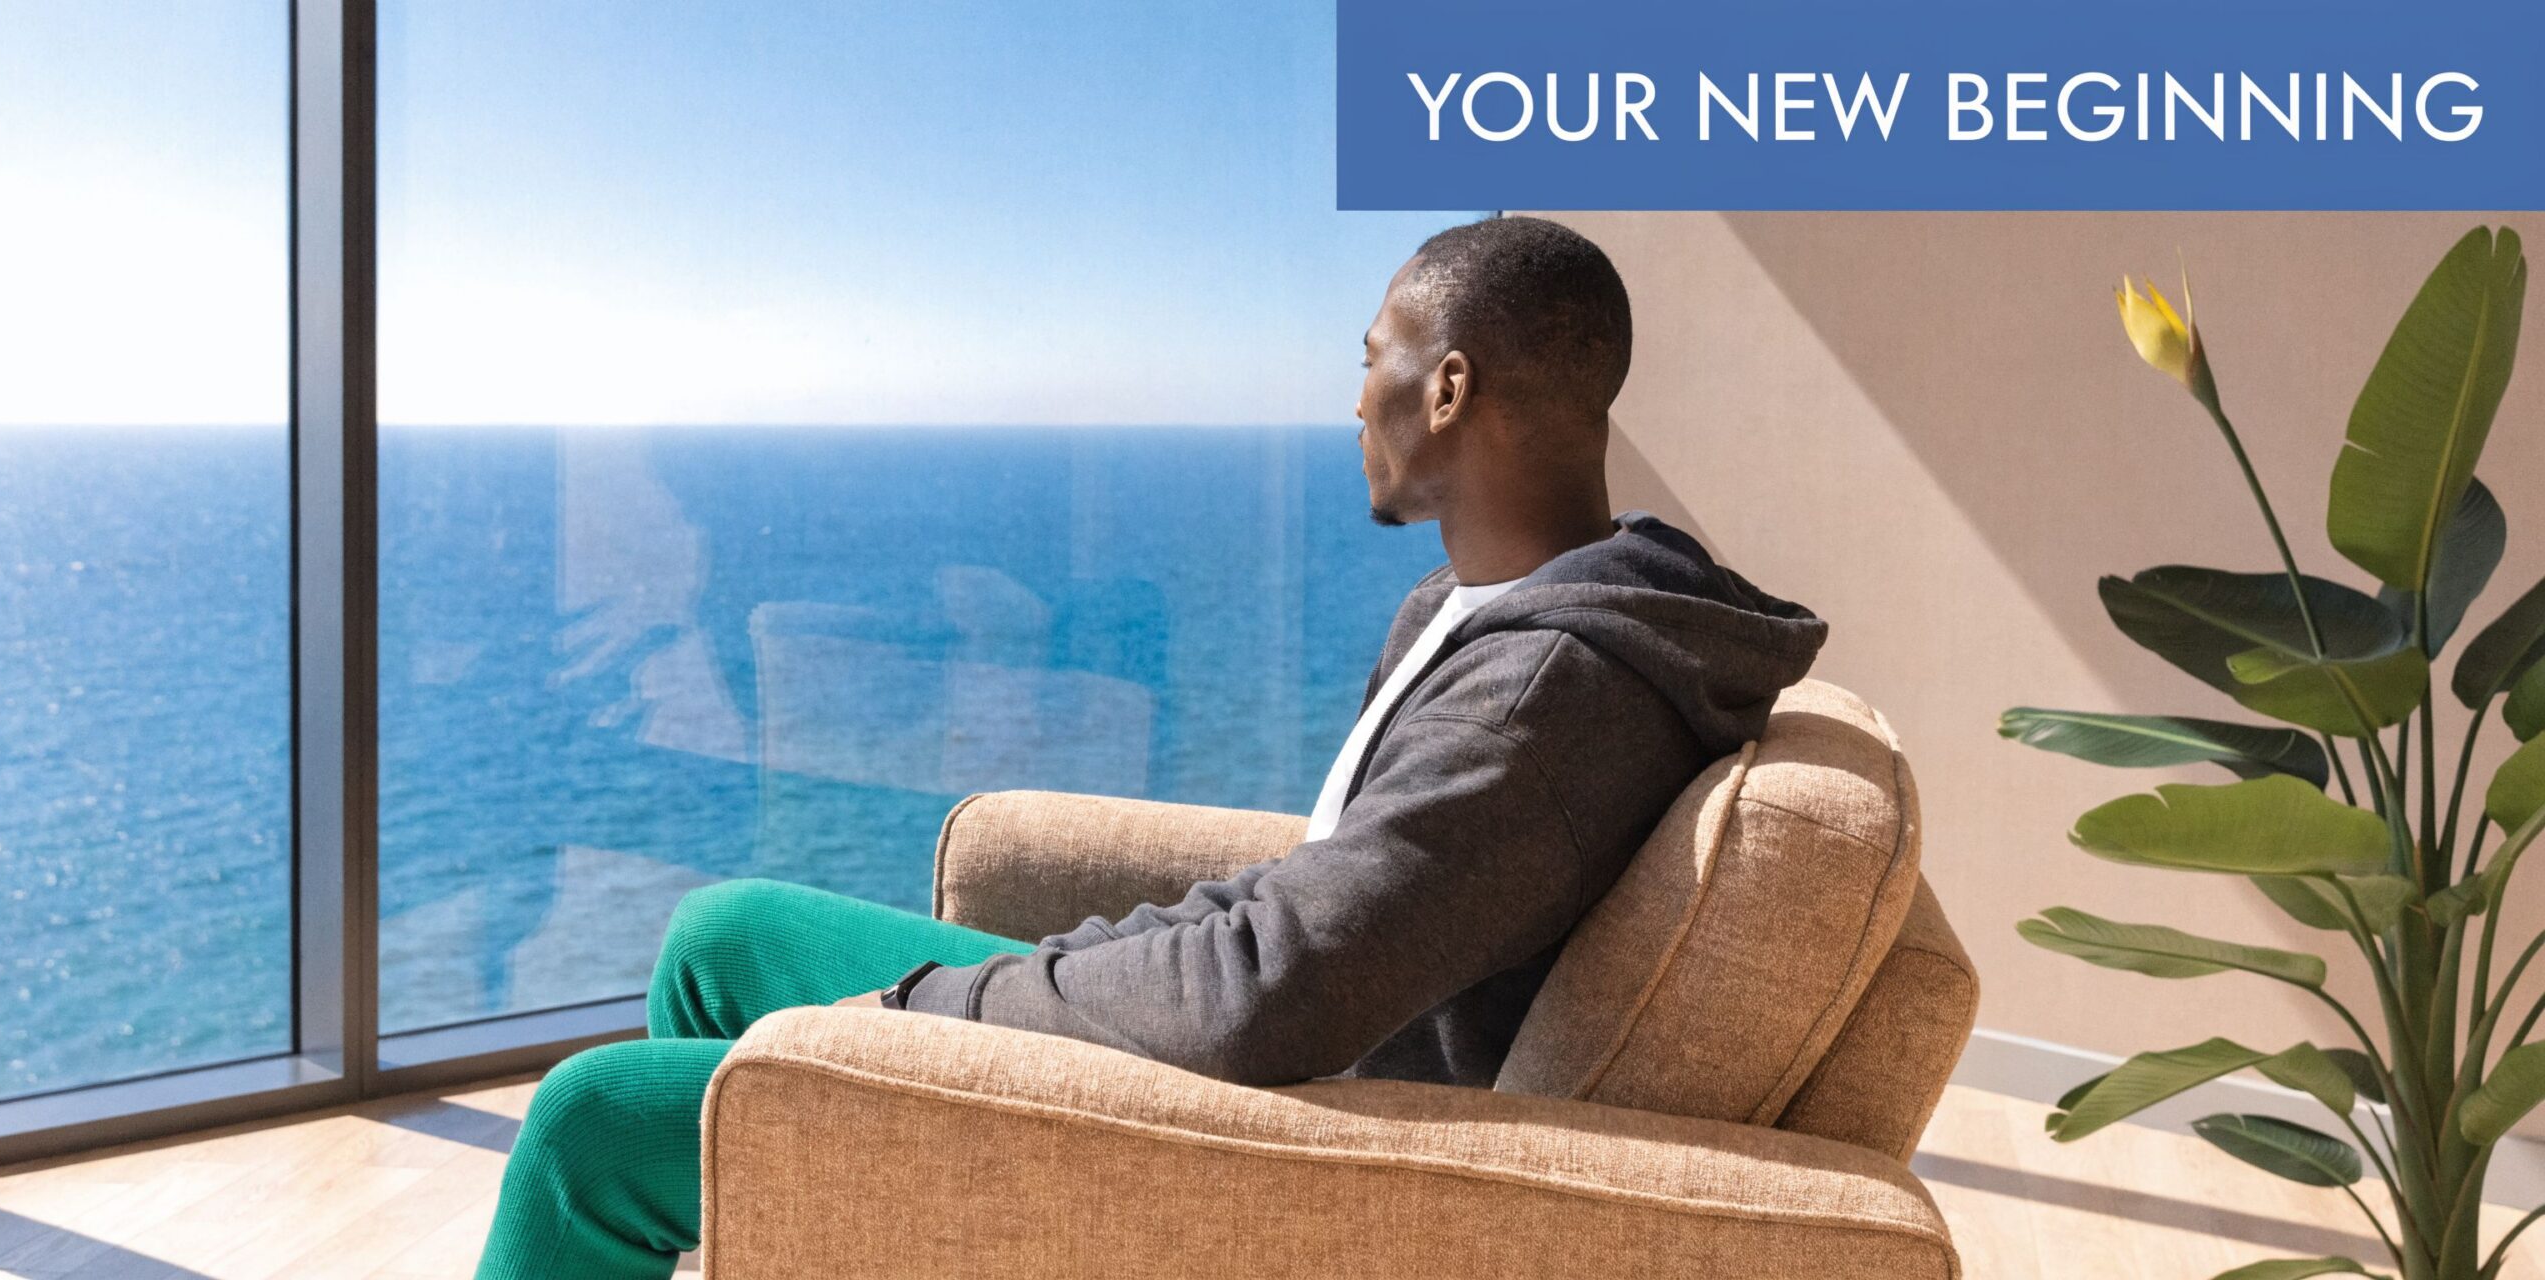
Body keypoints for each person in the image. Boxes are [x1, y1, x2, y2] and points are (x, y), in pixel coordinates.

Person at [473, 215, 1827, 1279]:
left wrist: (932, 1015)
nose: (1356, 399)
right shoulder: (1485, 610)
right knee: (723, 935)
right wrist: (1078, 963)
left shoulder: (1548, 688)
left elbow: (1271, 996)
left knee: (592, 1121)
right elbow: (1316, 900)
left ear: (1451, 386)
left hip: (1271, 1130)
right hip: (1252, 1038)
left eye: (1374, 359)